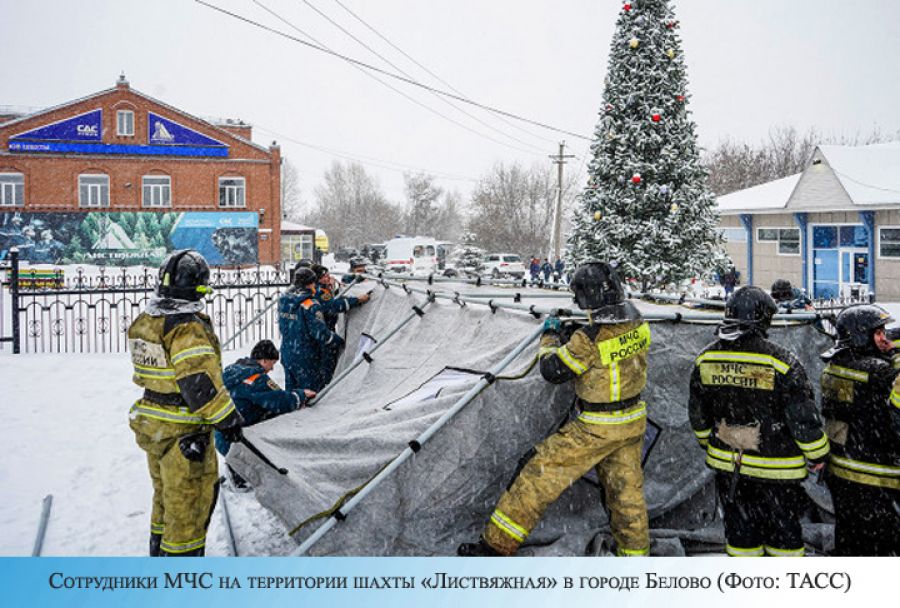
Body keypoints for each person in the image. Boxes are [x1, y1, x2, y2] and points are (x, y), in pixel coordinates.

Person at [459, 261, 652, 557]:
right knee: (627, 496)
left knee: (539, 474)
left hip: (597, 427)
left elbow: (552, 371)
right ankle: (636, 560)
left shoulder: (587, 339)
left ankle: (494, 547)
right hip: (632, 421)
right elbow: (609, 349)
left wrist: (550, 337)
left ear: (586, 297)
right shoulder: (637, 322)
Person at [688, 286, 829, 557]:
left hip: (729, 467)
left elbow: (698, 412)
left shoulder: (706, 358)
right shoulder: (782, 362)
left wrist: (709, 441)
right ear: (763, 319)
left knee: (740, 533)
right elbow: (802, 417)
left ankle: (745, 586)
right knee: (783, 536)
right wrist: (818, 453)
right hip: (777, 470)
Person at [128, 249, 244, 556]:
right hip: (185, 432)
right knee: (189, 507)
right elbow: (199, 384)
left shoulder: (147, 321)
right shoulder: (186, 328)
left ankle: (159, 558)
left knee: (166, 499)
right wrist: (228, 419)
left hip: (155, 425)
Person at [819, 305, 900, 556]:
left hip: (841, 471)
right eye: (877, 333)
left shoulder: (834, 365)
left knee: (850, 539)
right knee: (882, 547)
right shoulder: (881, 373)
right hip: (876, 477)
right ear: (861, 335)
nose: (883, 338)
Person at [278, 266, 344, 392]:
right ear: (310, 284)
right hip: (306, 358)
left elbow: (283, 327)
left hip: (288, 353)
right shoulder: (310, 305)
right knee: (310, 396)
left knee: (293, 396)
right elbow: (320, 333)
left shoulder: (284, 300)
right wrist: (337, 341)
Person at [313, 263, 371, 383]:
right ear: (317, 279)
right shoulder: (320, 291)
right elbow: (334, 306)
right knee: (327, 364)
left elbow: (343, 282)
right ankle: (326, 386)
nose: (328, 278)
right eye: (324, 276)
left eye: (328, 274)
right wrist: (357, 300)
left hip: (325, 330)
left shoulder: (322, 288)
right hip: (324, 331)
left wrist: (357, 278)